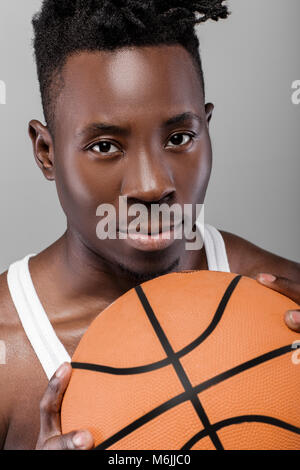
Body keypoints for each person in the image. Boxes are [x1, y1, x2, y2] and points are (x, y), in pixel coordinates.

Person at [0, 0, 299, 450]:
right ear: (46, 152)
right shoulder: (9, 358)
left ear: (209, 129)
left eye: (179, 138)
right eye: (105, 146)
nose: (152, 185)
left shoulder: (285, 303)